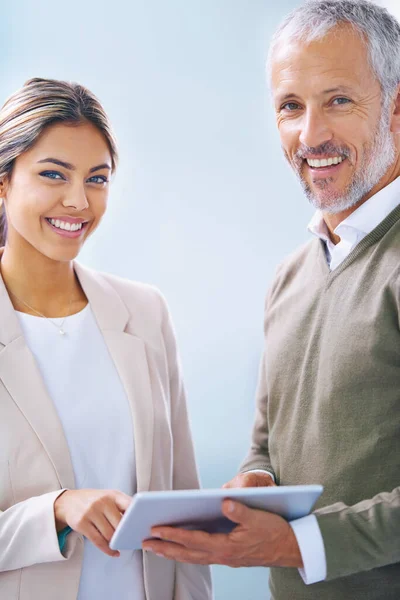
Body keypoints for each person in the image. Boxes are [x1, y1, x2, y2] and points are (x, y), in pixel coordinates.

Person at [142, 1, 400, 599]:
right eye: (290, 106)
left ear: (395, 108)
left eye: (338, 100)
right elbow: (267, 443)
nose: (310, 136)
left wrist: (294, 544)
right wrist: (254, 482)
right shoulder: (290, 277)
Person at [0, 77, 212, 600]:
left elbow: (182, 502)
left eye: (97, 179)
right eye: (54, 175)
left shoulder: (144, 312)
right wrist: (55, 510)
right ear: (3, 182)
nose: (78, 201)